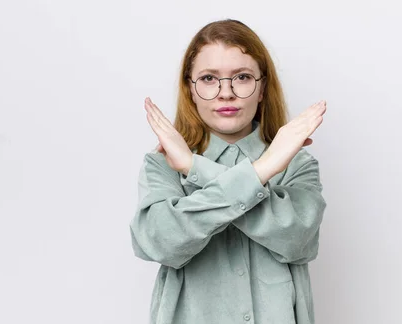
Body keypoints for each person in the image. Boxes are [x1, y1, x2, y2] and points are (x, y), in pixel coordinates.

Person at [130, 19, 327, 324]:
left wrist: (196, 169)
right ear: (190, 90)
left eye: (243, 77)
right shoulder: (163, 163)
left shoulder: (297, 164)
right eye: (209, 78)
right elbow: (161, 242)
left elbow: (297, 240)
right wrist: (262, 171)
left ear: (262, 89)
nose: (226, 93)